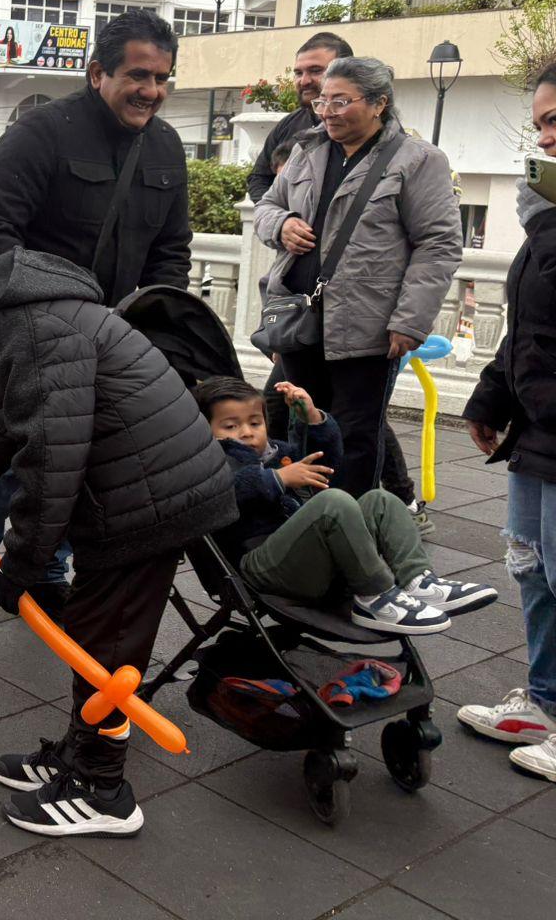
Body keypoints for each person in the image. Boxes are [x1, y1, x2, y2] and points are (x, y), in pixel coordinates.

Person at [0, 180, 236, 837]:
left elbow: (48, 461)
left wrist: (20, 566)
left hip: (150, 498)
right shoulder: (11, 311)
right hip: (139, 486)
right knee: (97, 634)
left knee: (107, 645)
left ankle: (102, 789)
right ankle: (80, 754)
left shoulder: (27, 326)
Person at [0, 9, 191, 620]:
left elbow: (172, 251)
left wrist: (157, 327)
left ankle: (46, 562)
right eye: (138, 76)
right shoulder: (41, 133)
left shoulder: (166, 146)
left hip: (116, 336)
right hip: (35, 332)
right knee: (41, 455)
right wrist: (33, 315)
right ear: (98, 72)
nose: (151, 91)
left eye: (162, 79)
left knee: (92, 455)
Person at [255, 56, 461, 495]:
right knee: (299, 422)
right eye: (323, 102)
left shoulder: (418, 160)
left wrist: (410, 320)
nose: (327, 112)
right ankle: (304, 515)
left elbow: (438, 244)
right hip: (300, 316)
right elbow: (267, 206)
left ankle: (350, 521)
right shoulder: (307, 150)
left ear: (379, 103)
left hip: (368, 325)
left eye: (341, 101)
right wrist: (281, 224)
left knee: (355, 434)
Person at [195, 377, 492, 633]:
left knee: (379, 500)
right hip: (260, 566)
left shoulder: (275, 453)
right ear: (204, 430)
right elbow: (221, 494)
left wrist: (312, 418)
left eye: (255, 423)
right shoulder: (210, 464)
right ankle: (375, 596)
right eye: (230, 426)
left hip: (304, 558)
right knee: (332, 502)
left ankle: (417, 580)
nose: (246, 432)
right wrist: (276, 479)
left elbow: (325, 464)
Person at [457, 60, 556, 781]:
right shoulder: (547, 215)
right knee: (534, 571)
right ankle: (546, 701)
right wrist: (491, 395)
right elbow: (530, 325)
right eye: (543, 122)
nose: (547, 136)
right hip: (538, 432)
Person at [244, 31, 353, 204]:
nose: (304, 81)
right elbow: (259, 178)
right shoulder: (288, 125)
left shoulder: (366, 128)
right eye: (298, 73)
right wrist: (279, 215)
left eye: (316, 71)